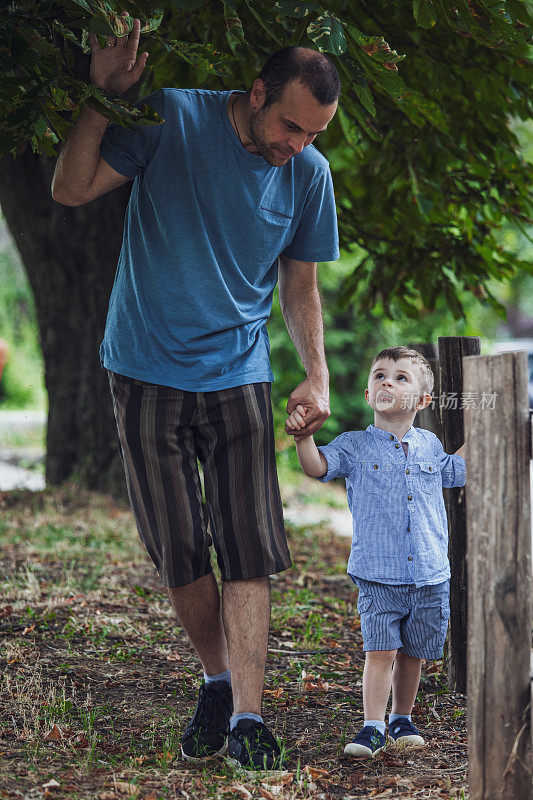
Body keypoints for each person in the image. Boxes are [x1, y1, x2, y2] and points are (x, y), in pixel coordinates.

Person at [51, 16, 340, 771]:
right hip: (144, 366)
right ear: (255, 93)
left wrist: (316, 371)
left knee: (247, 548)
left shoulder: (307, 175)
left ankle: (246, 714)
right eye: (289, 125)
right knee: (178, 548)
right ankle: (215, 679)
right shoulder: (171, 117)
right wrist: (100, 97)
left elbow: (299, 282)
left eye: (313, 134)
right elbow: (71, 188)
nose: (297, 145)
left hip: (238, 374)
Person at [286, 346, 466, 758]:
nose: (387, 381)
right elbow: (317, 467)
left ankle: (402, 717)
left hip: (429, 573)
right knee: (380, 650)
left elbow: (457, 471)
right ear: (368, 395)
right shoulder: (354, 446)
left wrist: (489, 422)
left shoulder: (430, 445)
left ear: (422, 401)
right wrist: (303, 436)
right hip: (378, 575)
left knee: (414, 654)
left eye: (401, 377)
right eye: (380, 375)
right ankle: (372, 725)